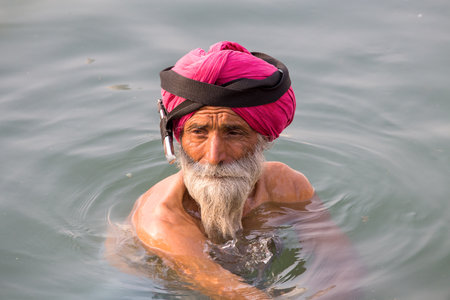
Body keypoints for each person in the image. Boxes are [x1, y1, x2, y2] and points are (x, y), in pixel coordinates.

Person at [108, 41, 363, 299]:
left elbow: (341, 269)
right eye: (198, 132)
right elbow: (234, 293)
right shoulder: (161, 220)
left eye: (234, 132)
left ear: (264, 138)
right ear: (177, 137)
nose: (214, 156)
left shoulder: (286, 186)